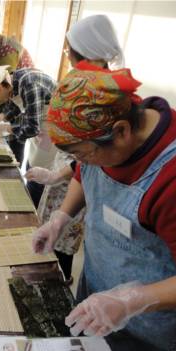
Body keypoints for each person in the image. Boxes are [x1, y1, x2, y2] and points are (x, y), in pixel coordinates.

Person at [32, 64, 176, 351]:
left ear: (121, 131)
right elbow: (85, 170)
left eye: (83, 152)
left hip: (150, 326)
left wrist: (130, 301)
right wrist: (61, 217)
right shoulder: (104, 137)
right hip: (98, 288)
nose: (79, 163)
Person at [25, 14, 125, 284]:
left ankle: (59, 277)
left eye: (70, 50)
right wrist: (55, 173)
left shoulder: (107, 92)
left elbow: (95, 156)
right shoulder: (78, 80)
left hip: (79, 174)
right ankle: (51, 270)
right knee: (53, 224)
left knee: (66, 238)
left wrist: (59, 175)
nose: (67, 54)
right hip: (71, 166)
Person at [0, 66, 56, 204]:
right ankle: (28, 198)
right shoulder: (13, 81)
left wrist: (4, 128)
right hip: (41, 126)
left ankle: (33, 210)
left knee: (39, 171)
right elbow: (16, 105)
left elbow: (32, 127)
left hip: (53, 130)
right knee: (32, 165)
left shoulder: (29, 83)